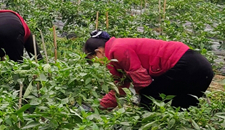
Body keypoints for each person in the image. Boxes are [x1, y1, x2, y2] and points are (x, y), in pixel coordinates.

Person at [84, 31, 213, 110]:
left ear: (98, 52)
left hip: (188, 64)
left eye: (93, 60)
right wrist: (101, 107)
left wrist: (141, 97)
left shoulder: (117, 49)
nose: (97, 64)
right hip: (200, 65)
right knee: (183, 109)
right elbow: (120, 88)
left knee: (149, 99)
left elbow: (141, 79)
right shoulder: (116, 50)